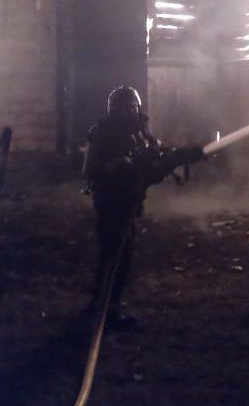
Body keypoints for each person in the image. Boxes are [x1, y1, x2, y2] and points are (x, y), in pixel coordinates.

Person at [82, 85, 203, 330]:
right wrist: (118, 165)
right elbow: (90, 170)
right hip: (112, 204)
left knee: (122, 259)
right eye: (124, 107)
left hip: (130, 202)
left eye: (133, 106)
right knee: (113, 258)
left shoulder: (141, 134)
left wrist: (191, 154)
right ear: (113, 109)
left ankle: (106, 307)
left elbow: (160, 156)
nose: (130, 111)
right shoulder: (102, 133)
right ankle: (102, 310)